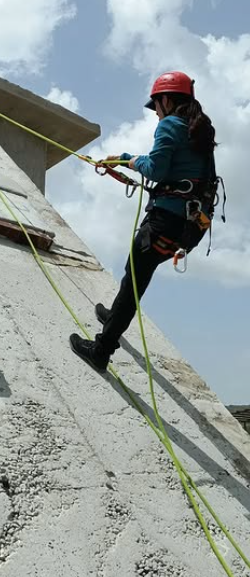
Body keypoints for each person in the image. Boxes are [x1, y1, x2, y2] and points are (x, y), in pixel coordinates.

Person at [70, 71, 218, 372]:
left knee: (133, 285)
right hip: (187, 229)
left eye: (156, 106)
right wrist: (124, 158)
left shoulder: (170, 126)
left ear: (165, 100)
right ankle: (113, 316)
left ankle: (102, 349)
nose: (156, 114)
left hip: (163, 222)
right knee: (134, 274)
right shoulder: (199, 132)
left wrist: (131, 161)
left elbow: (156, 169)